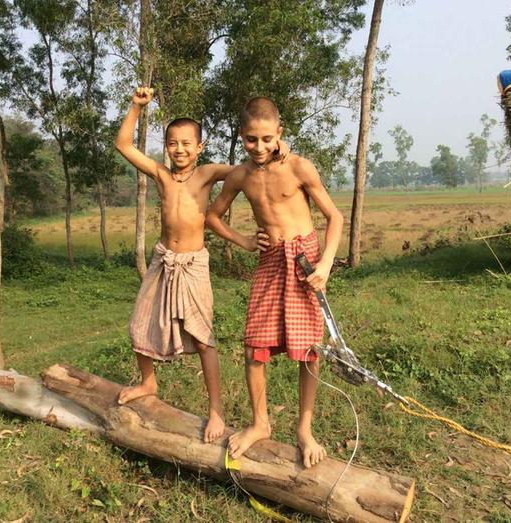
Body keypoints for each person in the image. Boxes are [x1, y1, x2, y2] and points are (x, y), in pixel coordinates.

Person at [205, 96, 344, 468]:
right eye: (252, 139)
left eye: (267, 138)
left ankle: (304, 429)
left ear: (279, 133)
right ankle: (260, 423)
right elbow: (213, 216)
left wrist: (326, 264)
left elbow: (334, 218)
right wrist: (246, 240)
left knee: (309, 349)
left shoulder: (299, 168)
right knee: (254, 346)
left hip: (304, 259)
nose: (260, 146)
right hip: (269, 261)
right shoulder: (239, 175)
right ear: (242, 136)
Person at [114, 86, 233, 443]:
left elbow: (246, 168)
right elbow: (123, 145)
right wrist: (136, 107)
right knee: (139, 321)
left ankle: (216, 411)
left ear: (199, 147)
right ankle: (148, 381)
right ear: (166, 147)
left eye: (186, 144)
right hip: (163, 260)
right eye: (172, 144)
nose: (179, 150)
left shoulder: (208, 174)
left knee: (203, 336)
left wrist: (277, 152)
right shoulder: (162, 175)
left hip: (193, 265)